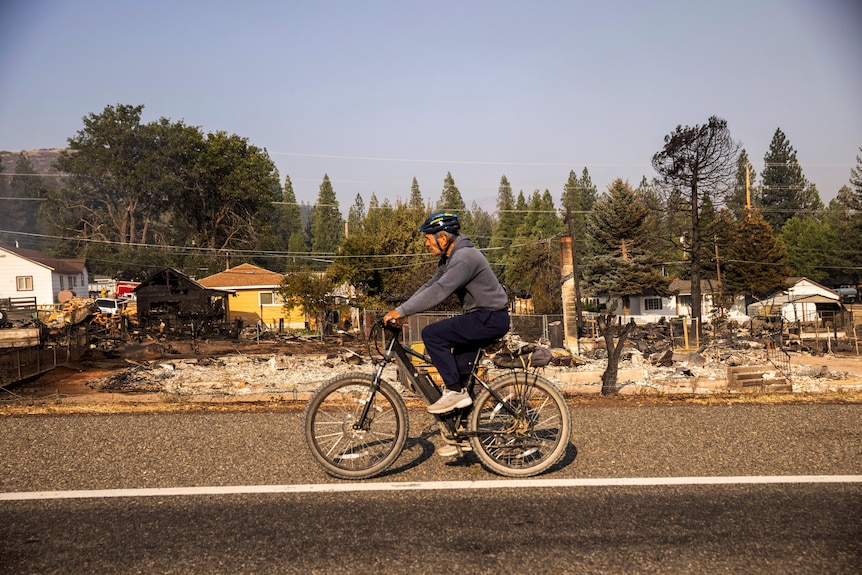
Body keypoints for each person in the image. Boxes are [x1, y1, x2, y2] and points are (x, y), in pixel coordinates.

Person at [382, 212, 510, 416]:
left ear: (442, 238)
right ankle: (461, 434)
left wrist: (401, 311)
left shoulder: (464, 258)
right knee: (459, 375)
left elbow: (439, 291)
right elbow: (429, 285)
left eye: (427, 238)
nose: (425, 244)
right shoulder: (449, 259)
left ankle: (454, 391)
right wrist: (404, 309)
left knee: (432, 334)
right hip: (481, 318)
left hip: (489, 318)